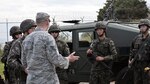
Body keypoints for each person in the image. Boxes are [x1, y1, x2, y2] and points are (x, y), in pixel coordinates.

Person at [21, 12, 79, 84]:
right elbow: (55, 59)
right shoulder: (47, 37)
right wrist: (68, 59)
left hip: (32, 80)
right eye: (49, 20)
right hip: (47, 80)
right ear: (46, 22)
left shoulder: (27, 39)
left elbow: (24, 62)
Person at [7, 19, 37, 84]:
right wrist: (23, 68)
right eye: (32, 28)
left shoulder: (36, 41)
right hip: (23, 78)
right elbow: (10, 61)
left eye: (35, 28)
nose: (34, 30)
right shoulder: (18, 43)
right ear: (26, 30)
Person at [129, 19, 150, 84]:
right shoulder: (136, 38)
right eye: (140, 26)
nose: (142, 28)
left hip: (147, 66)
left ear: (148, 27)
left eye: (144, 26)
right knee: (136, 81)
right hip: (137, 66)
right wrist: (130, 59)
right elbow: (131, 50)